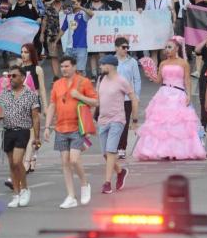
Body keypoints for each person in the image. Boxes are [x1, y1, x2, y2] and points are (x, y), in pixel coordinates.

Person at [133, 37, 204, 161]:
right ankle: (161, 150)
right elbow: (159, 81)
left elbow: (187, 80)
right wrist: (150, 74)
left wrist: (188, 95)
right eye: (166, 47)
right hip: (164, 93)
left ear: (177, 48)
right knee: (161, 123)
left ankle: (178, 150)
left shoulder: (183, 63)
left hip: (178, 93)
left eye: (170, 47)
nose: (167, 50)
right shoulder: (163, 63)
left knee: (177, 124)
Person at [44, 55, 96, 208]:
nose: (64, 69)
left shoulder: (83, 81)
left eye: (67, 66)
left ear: (74, 66)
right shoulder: (57, 84)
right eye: (62, 67)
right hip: (61, 127)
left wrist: (79, 95)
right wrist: (47, 127)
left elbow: (95, 101)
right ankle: (71, 196)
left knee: (74, 159)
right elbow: (52, 105)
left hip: (77, 127)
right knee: (65, 162)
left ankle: (85, 184)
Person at [0, 65, 40, 208]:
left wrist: (37, 137)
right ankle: (16, 194)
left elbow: (35, 117)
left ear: (23, 78)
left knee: (18, 161)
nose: (10, 78)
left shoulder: (30, 94)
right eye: (9, 76)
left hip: (22, 130)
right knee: (12, 164)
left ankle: (25, 189)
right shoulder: (4, 94)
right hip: (7, 131)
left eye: (14, 76)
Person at [96, 55, 139, 193]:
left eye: (102, 65)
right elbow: (97, 100)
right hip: (102, 120)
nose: (100, 67)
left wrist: (135, 119)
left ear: (111, 65)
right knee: (105, 154)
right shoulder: (101, 79)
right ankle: (120, 172)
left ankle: (107, 183)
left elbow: (134, 99)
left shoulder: (122, 81)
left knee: (110, 152)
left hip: (117, 120)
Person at [19, 43, 48, 172]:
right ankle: (30, 158)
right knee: (24, 135)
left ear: (31, 53)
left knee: (33, 134)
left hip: (34, 104)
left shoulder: (37, 69)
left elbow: (42, 89)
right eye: (22, 52)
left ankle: (29, 161)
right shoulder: (18, 68)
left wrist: (45, 107)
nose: (23, 55)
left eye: (26, 52)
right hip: (20, 105)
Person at [113, 37, 141, 159]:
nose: (126, 49)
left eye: (127, 47)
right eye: (123, 47)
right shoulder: (111, 61)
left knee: (124, 124)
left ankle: (121, 148)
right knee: (114, 124)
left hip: (127, 98)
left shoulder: (132, 62)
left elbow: (137, 79)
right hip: (113, 98)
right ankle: (112, 146)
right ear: (116, 48)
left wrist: (136, 95)